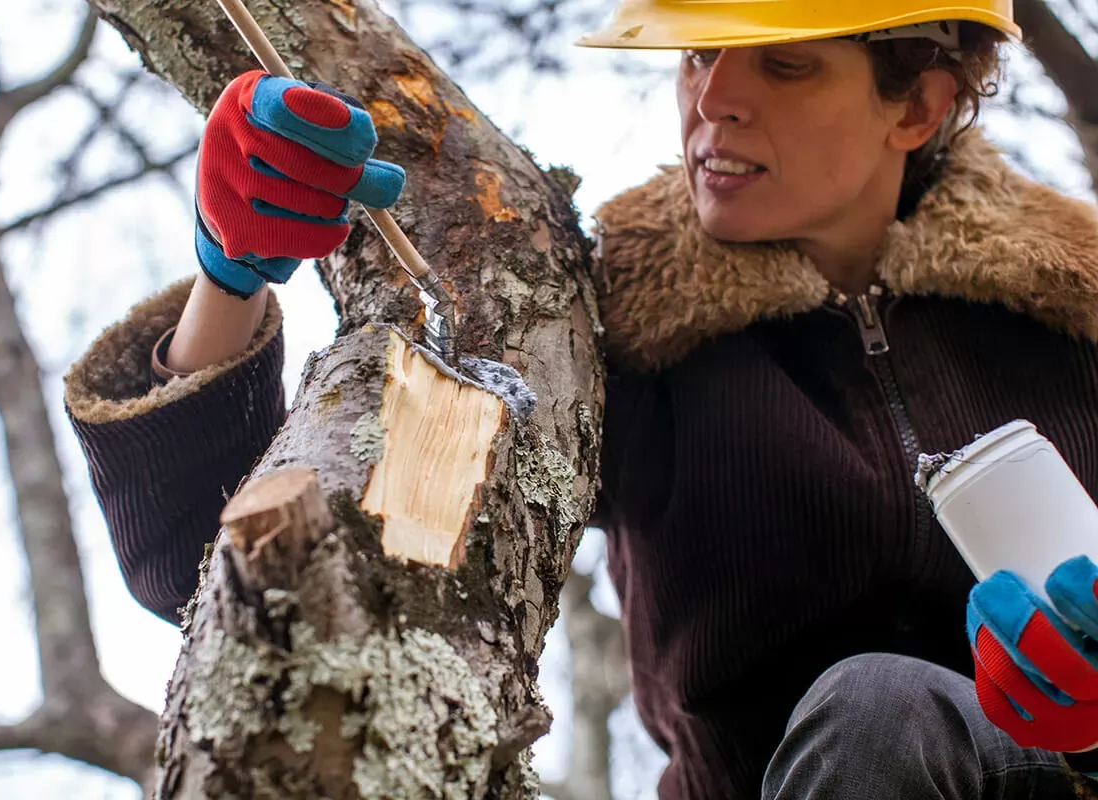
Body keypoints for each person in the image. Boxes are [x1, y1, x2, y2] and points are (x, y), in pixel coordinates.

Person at [64, 0, 1098, 796]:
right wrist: (230, 278)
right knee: (879, 706)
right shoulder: (611, 334)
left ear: (916, 104)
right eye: (697, 52)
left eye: (783, 62)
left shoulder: (1077, 314)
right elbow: (214, 567)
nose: (714, 96)